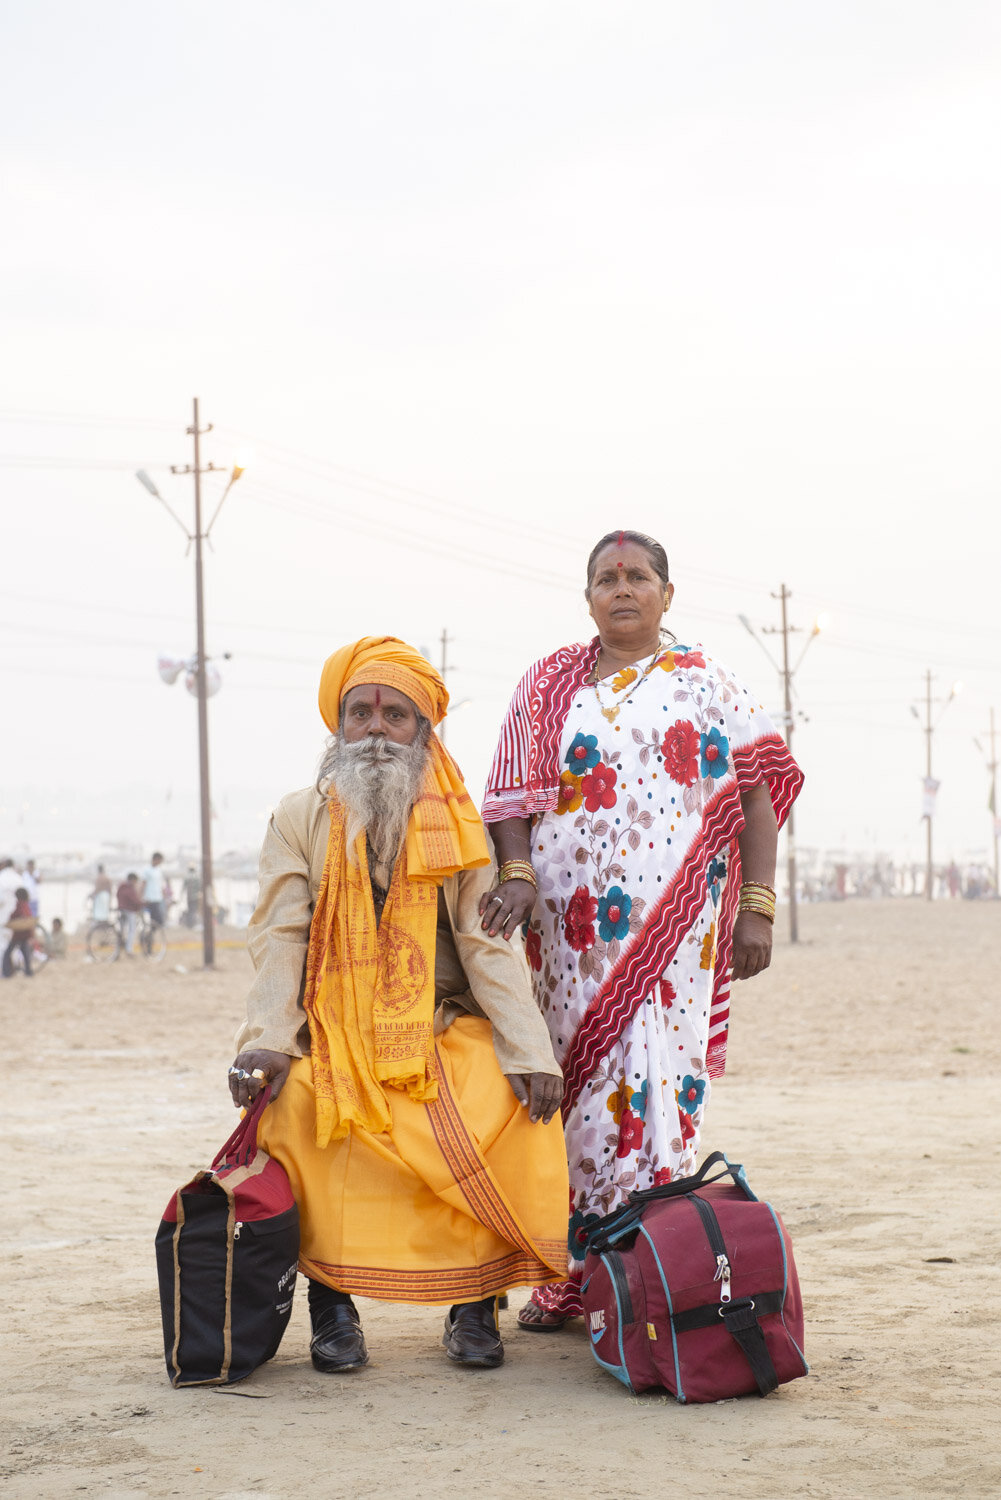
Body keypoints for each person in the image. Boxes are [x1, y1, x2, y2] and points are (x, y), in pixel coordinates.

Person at [481, 530, 804, 1329]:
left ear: (666, 592)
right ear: (586, 596)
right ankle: (574, 1274)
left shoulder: (707, 682)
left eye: (636, 576)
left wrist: (757, 906)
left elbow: (758, 800)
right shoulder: (547, 684)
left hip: (679, 936)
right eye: (604, 578)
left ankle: (643, 1272)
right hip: (568, 933)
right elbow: (509, 803)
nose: (620, 588)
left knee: (660, 1087)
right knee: (575, 1091)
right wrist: (517, 874)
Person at [229, 636, 568, 1374]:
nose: (376, 729)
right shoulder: (296, 817)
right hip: (333, 1026)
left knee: (499, 1095)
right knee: (295, 1102)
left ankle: (475, 1308)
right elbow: (279, 936)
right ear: (338, 726)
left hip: (440, 1022)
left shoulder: (456, 818)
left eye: (395, 715)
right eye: (361, 713)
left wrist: (527, 1051)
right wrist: (266, 1039)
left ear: (424, 731)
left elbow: (487, 947)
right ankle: (332, 1309)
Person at [3, 887, 36, 978]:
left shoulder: (20, 904)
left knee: (7, 953)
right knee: (25, 952)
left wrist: (11, 918)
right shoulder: (26, 904)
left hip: (19, 934)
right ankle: (28, 972)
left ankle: (7, 973)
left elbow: (18, 914)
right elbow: (28, 916)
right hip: (25, 933)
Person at [116, 872, 142, 956]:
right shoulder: (129, 888)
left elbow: (117, 895)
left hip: (121, 909)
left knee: (121, 930)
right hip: (129, 910)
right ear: (133, 880)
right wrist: (142, 904)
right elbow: (134, 900)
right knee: (132, 929)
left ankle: (118, 949)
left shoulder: (122, 886)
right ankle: (129, 949)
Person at [140, 852, 167, 931]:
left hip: (158, 898)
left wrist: (163, 894)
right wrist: (141, 896)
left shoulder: (159, 870)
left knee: (158, 919)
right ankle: (148, 935)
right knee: (155, 919)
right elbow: (143, 884)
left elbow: (160, 884)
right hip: (149, 898)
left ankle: (151, 935)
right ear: (156, 859)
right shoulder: (147, 870)